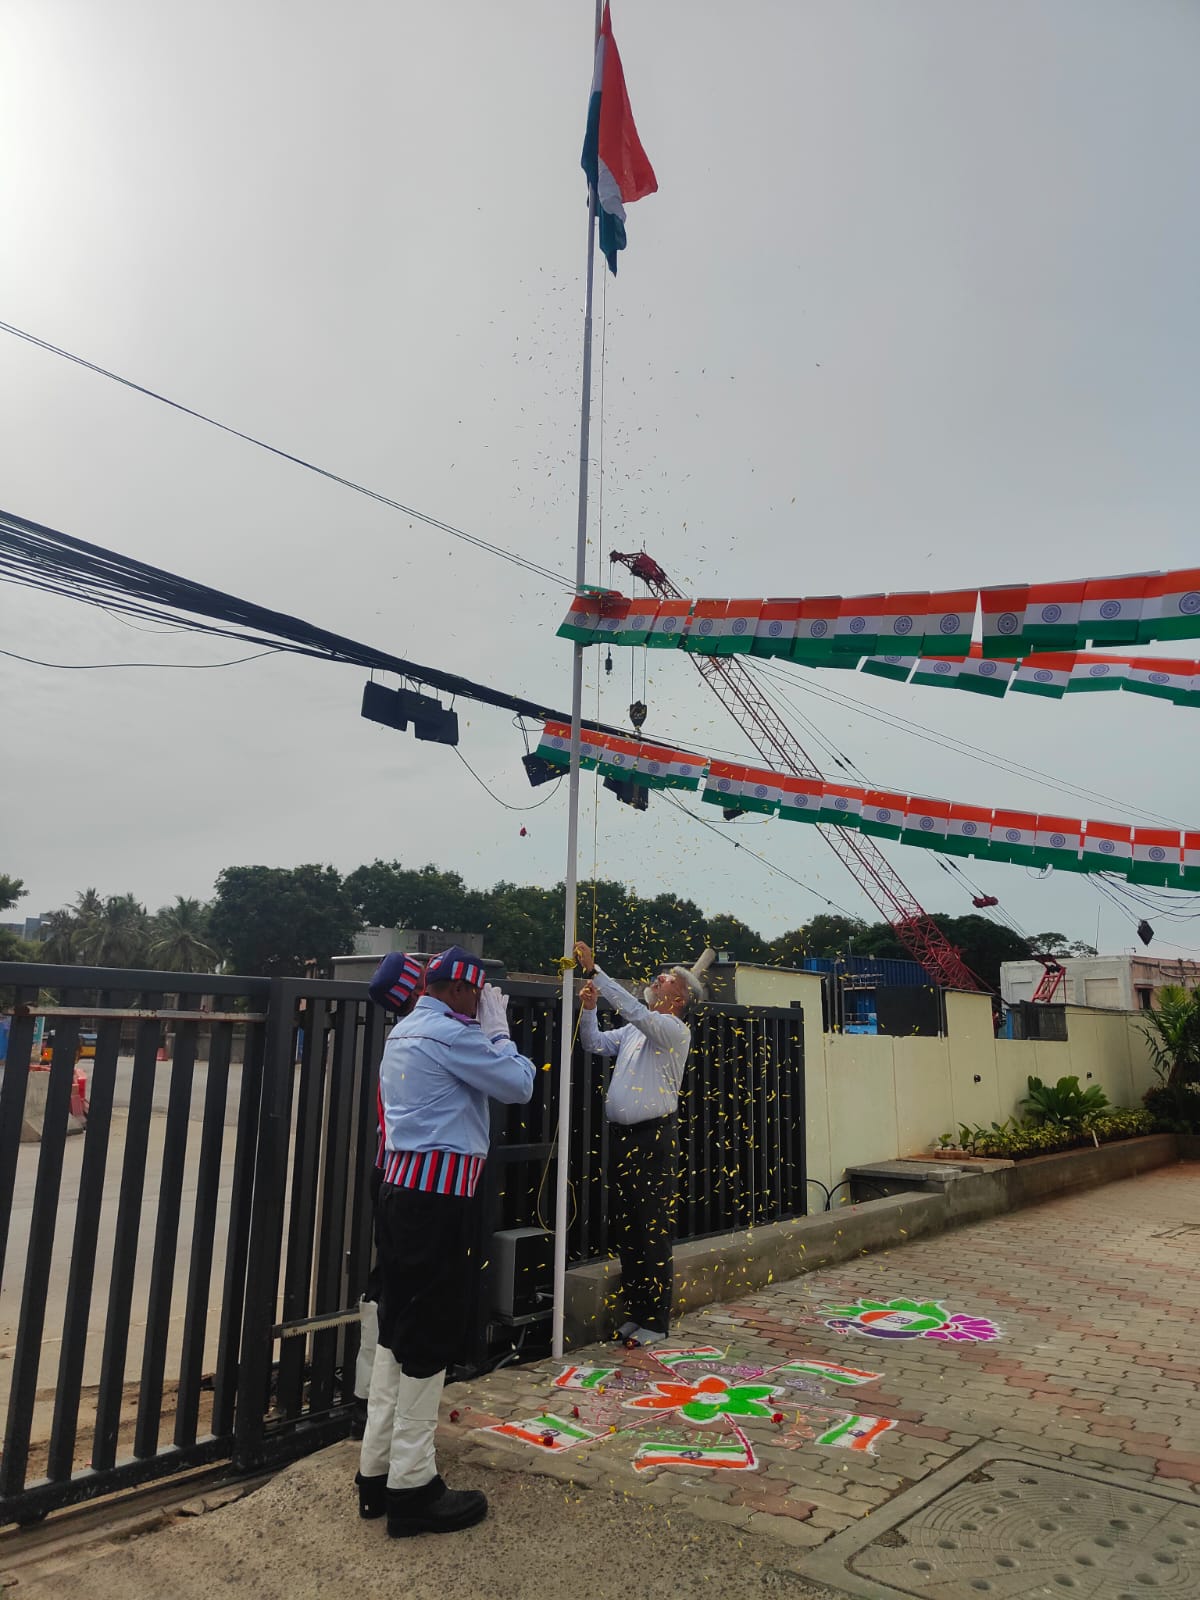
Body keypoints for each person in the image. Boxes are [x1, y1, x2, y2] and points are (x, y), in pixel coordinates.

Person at [356, 947, 535, 1538]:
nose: (479, 1004)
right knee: (428, 1335)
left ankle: (376, 1470)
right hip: (438, 1200)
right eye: (478, 994)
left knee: (396, 1329)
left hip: (401, 1192)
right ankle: (413, 1486)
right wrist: (499, 1031)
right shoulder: (451, 1034)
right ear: (459, 990)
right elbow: (519, 1084)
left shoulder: (404, 1031)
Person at [573, 939, 714, 1348]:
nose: (657, 978)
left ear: (679, 999)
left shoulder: (673, 1030)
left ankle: (655, 1319)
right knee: (628, 1227)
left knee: (651, 1227)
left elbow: (633, 1010)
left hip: (652, 1139)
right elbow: (594, 1043)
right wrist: (588, 1010)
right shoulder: (638, 1031)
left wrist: (595, 972)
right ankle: (636, 1312)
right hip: (623, 1138)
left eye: (666, 979)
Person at [350, 951, 427, 1440]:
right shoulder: (420, 1039)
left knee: (386, 1282)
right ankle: (379, 1403)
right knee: (398, 1288)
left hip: (387, 1170)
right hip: (406, 1174)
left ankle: (369, 1398)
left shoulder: (400, 1038)